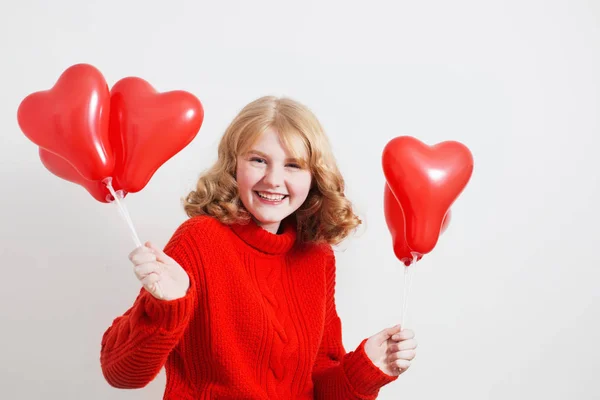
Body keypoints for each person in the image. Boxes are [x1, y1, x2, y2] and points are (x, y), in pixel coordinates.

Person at [100, 96, 417, 399]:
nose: (273, 179)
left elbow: (320, 387)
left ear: (314, 177)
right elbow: (121, 374)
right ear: (233, 166)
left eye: (293, 165)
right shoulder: (198, 239)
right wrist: (165, 308)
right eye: (258, 160)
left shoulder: (317, 257)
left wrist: (368, 367)